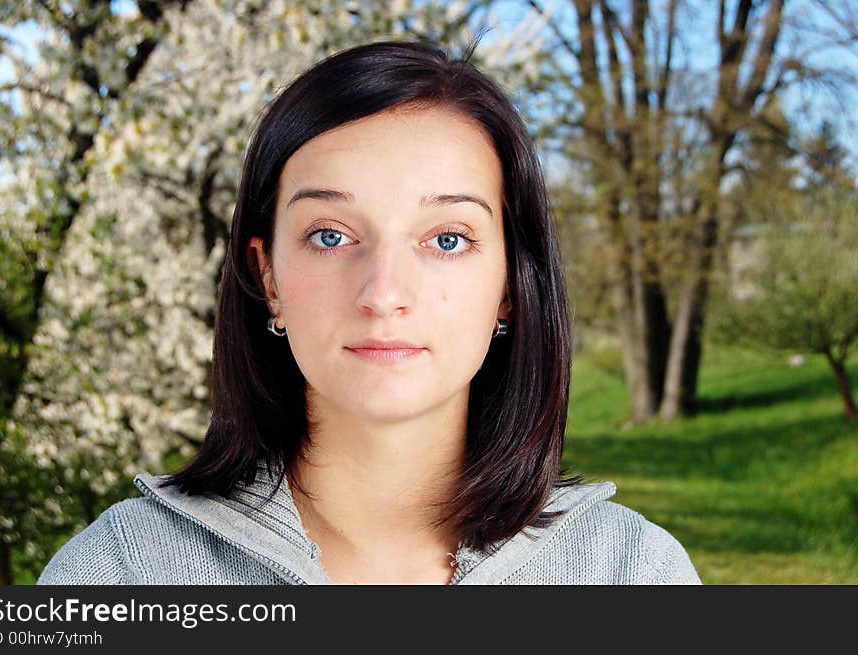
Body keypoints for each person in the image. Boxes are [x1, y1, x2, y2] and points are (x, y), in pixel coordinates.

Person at [38, 39, 700, 585]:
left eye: (447, 239)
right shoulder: (118, 574)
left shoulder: (633, 573)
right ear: (266, 275)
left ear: (508, 286)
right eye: (331, 235)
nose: (383, 292)